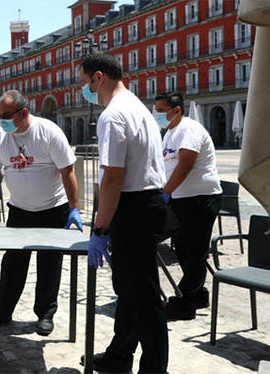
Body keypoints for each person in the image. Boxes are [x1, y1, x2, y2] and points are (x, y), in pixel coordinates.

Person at [0, 90, 82, 336]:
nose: (1, 120)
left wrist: (74, 208)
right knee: (13, 263)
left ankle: (45, 314)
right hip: (19, 210)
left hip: (53, 209)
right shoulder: (0, 139)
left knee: (49, 264)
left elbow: (67, 171)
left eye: (6, 115)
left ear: (24, 112)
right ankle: (3, 311)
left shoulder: (48, 132)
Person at [80, 53, 168, 373]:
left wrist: (100, 229)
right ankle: (119, 355)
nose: (84, 90)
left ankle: (155, 368)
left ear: (98, 78)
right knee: (130, 291)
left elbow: (113, 177)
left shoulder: (112, 116)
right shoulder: (138, 107)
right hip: (147, 203)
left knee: (142, 296)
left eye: (84, 82)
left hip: (132, 209)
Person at [154, 91, 222, 320]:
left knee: (194, 251)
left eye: (162, 110)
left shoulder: (189, 130)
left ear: (177, 110)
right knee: (184, 248)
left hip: (200, 198)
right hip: (181, 199)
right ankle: (198, 294)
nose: (158, 115)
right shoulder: (169, 132)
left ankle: (186, 304)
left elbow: (186, 164)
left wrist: (166, 192)